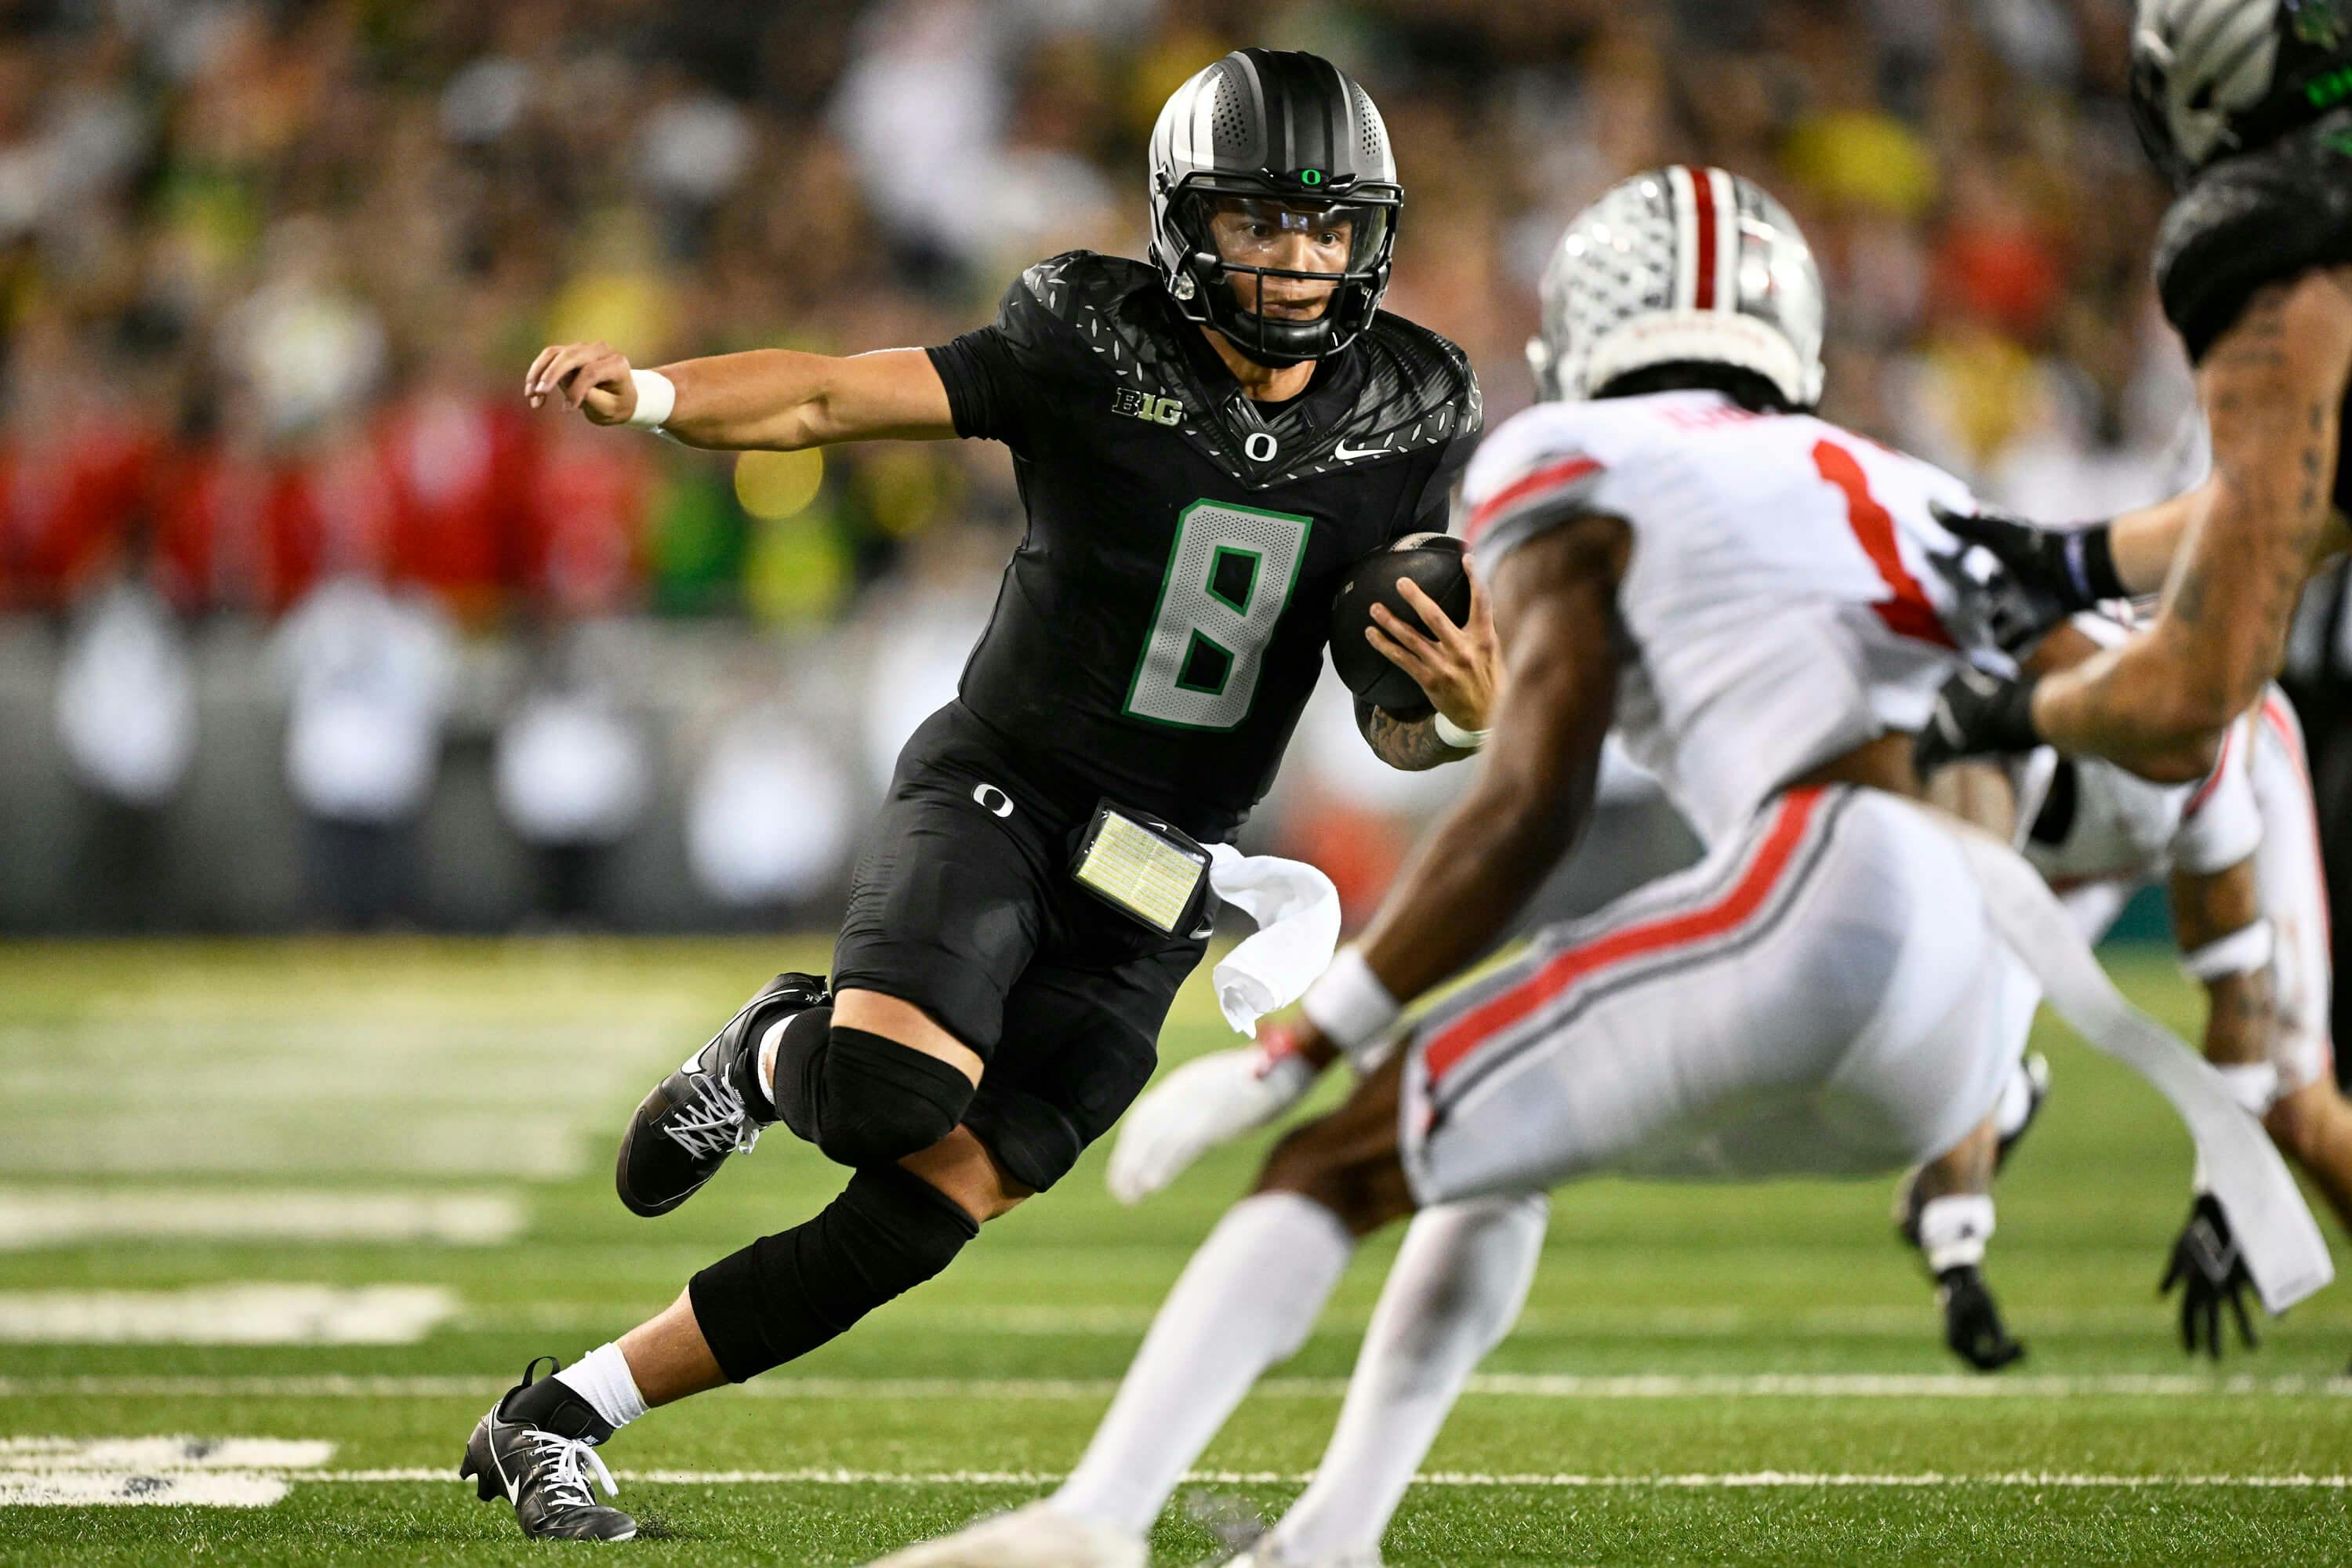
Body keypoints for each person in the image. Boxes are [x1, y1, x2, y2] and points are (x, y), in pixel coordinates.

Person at [869, 165, 2058, 1568]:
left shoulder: (1577, 457)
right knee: (1499, 1144)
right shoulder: (1913, 489)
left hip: (1809, 904)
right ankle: (1330, 1542)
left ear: (1584, 330)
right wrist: (1989, 1082)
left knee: (1334, 1155)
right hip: (1961, 1020)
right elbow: (2058, 744)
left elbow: (1528, 810)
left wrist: (1294, 1052)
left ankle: (1093, 1520)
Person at [459, 49, 1489, 1544]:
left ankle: (556, 1419)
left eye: (1328, 228)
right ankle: (770, 1055)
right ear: (1187, 224)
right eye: (1263, 222)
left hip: (1164, 871)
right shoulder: (1091, 337)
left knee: (930, 1207)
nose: (1299, 259)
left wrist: (1461, 718)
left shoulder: (1413, 405)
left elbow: (1403, 718)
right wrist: (660, 395)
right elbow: (826, 398)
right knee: (886, 1095)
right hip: (1008, 784)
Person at [1918, 0, 2352, 782]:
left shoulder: (2284, 236)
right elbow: (2300, 510)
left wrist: (2004, 714)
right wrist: (2073, 560)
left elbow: (2194, 702)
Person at [1924, 615, 2349, 1358]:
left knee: (2293, 1105)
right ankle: (1996, 1120)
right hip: (2068, 824)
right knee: (1940, 1029)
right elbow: (1965, 1006)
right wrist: (1956, 1256)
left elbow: (2236, 987)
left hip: (2230, 782)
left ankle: (2005, 1110)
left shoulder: (2205, 757)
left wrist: (2223, 1197)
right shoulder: (1980, 762)